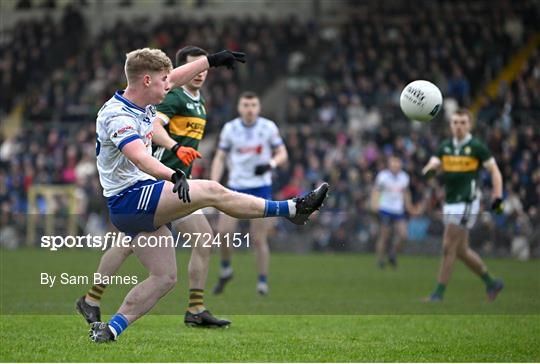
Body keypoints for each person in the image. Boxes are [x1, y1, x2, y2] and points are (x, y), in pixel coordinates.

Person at [88, 48, 328, 342]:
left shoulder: (144, 98)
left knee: (165, 278)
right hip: (130, 197)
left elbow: (175, 77)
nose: (170, 84)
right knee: (212, 190)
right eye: (163, 80)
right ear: (147, 81)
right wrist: (171, 172)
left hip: (138, 198)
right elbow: (139, 158)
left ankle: (110, 330)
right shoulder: (117, 115)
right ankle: (292, 208)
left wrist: (211, 61)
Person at [76, 46, 230, 328]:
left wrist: (213, 60)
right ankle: (195, 308)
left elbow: (174, 78)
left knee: (128, 243)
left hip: (166, 181)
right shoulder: (170, 98)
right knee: (194, 238)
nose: (200, 73)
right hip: (161, 181)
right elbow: (156, 128)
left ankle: (92, 299)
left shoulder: (198, 100)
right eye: (194, 67)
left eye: (204, 69)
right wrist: (174, 148)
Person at [210, 92, 288, 296]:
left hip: (260, 187)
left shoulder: (268, 127)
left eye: (253, 104)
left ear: (259, 107)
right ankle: (226, 268)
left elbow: (282, 154)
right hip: (235, 187)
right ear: (239, 107)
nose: (250, 109)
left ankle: (262, 282)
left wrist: (270, 164)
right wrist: (213, 183)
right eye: (246, 105)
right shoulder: (230, 129)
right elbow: (220, 157)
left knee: (259, 238)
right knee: (224, 233)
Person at [422, 109, 504, 301]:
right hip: (450, 203)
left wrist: (498, 198)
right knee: (461, 251)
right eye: (455, 122)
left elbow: (495, 172)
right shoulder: (444, 147)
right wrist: (431, 170)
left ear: (470, 125)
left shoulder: (476, 147)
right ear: (450, 125)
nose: (458, 126)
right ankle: (492, 282)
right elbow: (428, 170)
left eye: (462, 122)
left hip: (466, 202)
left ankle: (438, 294)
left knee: (447, 246)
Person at [371, 155, 416, 269]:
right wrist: (374, 203)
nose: (395, 165)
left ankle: (392, 253)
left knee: (403, 235)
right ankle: (380, 260)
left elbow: (406, 193)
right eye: (393, 163)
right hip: (385, 208)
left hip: (398, 209)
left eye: (397, 162)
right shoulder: (383, 176)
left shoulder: (404, 177)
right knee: (384, 235)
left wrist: (409, 206)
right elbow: (376, 190)